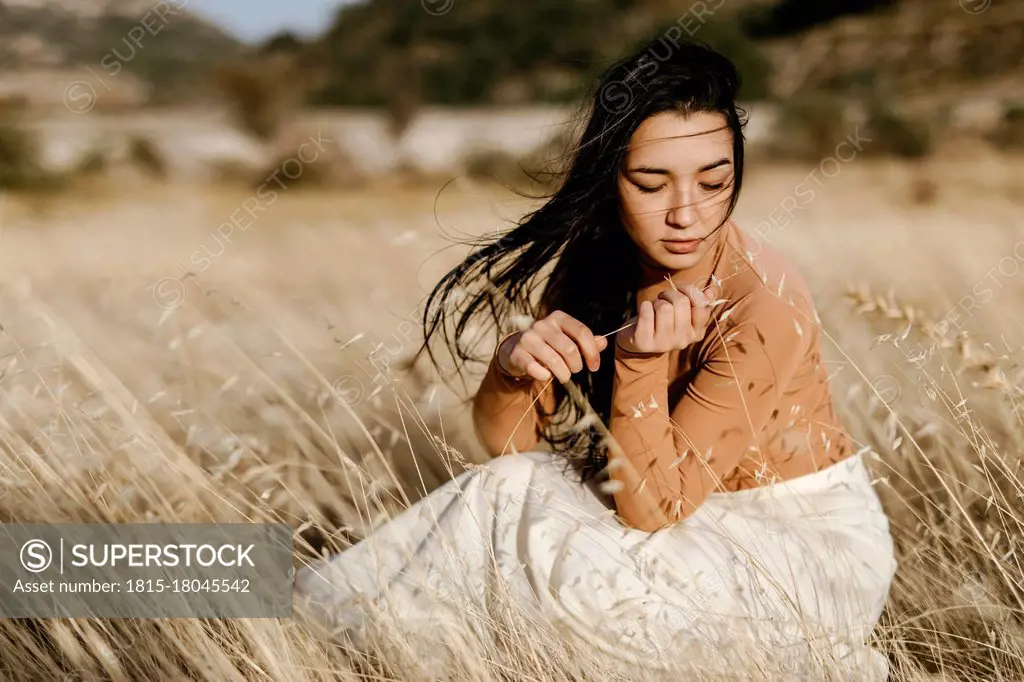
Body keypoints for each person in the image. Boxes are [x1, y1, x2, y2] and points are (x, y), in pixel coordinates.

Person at [294, 35, 897, 679]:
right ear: (611, 177)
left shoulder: (763, 304)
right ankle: (259, 604)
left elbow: (655, 508)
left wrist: (637, 362)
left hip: (795, 556)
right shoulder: (597, 268)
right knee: (507, 497)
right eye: (650, 183)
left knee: (518, 565)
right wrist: (512, 367)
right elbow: (511, 448)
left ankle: (284, 611)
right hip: (673, 532)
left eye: (715, 181)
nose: (686, 213)